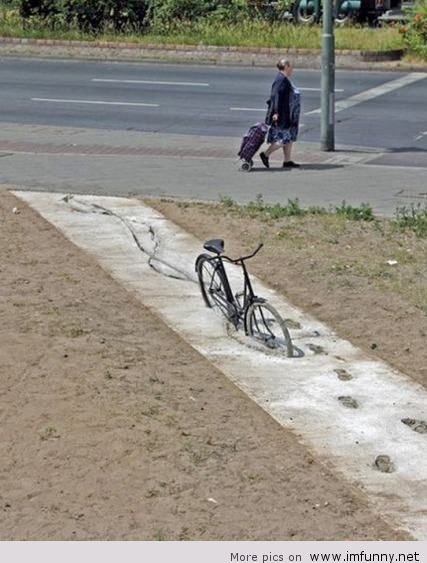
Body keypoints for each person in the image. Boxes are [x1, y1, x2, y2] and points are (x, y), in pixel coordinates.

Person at [260, 59, 301, 169]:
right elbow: (275, 96)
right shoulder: (281, 80)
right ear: (286, 66)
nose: (292, 68)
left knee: (290, 137)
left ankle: (287, 161)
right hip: (281, 114)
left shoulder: (284, 79)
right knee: (284, 139)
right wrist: (276, 112)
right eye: (291, 66)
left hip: (287, 113)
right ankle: (265, 154)